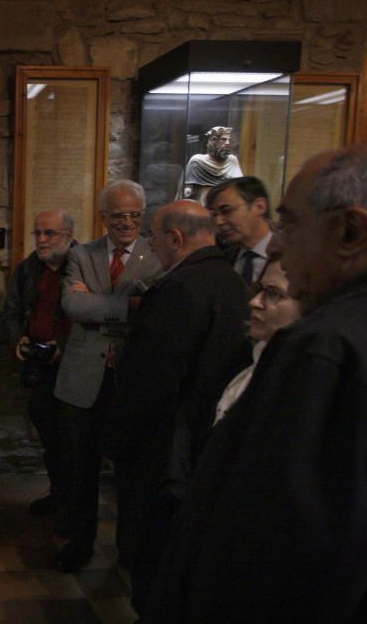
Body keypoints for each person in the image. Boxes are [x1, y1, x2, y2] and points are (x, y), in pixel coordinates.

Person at [145, 144, 367, 623]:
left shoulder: (323, 348)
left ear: (349, 231)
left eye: (290, 224)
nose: (280, 245)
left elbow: (271, 535)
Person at [111, 200, 251, 614]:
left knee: (152, 554)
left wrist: (118, 441)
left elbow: (150, 382)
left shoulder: (178, 289)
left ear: (175, 238)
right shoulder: (231, 281)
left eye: (152, 236)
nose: (150, 246)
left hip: (165, 450)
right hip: (205, 444)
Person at [52, 180, 161, 572]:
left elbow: (154, 311)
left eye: (134, 215)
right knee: (80, 470)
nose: (127, 223)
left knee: (132, 473)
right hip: (84, 381)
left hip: (132, 380)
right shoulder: (83, 253)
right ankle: (80, 544)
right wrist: (128, 304)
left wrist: (100, 304)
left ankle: (130, 550)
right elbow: (73, 306)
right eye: (118, 216)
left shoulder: (157, 255)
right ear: (104, 218)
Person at [2, 209, 76, 519]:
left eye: (50, 233)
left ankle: (73, 504)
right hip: (39, 368)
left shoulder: (83, 266)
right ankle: (58, 494)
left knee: (73, 441)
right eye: (38, 233)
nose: (42, 240)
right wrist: (19, 338)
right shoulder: (27, 269)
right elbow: (12, 310)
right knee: (49, 436)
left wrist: (65, 347)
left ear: (68, 236)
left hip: (74, 370)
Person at [213, 254, 301, 425]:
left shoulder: (296, 384)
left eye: (274, 294)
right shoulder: (258, 360)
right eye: (260, 289)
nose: (255, 302)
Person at [206, 175, 274, 285]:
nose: (219, 222)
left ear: (259, 206)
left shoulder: (291, 256)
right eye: (214, 215)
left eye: (226, 211)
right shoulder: (222, 260)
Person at [181, 126, 243, 202]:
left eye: (229, 140)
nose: (227, 143)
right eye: (224, 139)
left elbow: (240, 185)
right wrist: (187, 192)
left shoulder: (232, 160)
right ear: (214, 140)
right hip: (204, 202)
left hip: (226, 201)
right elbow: (188, 188)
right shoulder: (197, 161)